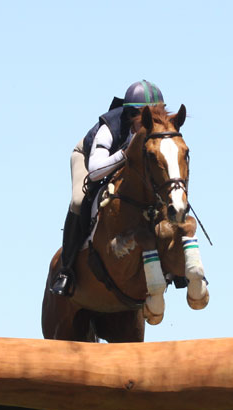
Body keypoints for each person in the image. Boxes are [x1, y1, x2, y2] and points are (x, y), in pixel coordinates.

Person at [49, 80, 167, 296]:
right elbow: (94, 171)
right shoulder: (110, 127)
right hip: (89, 159)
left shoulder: (157, 131)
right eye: (147, 116)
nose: (154, 122)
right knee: (78, 200)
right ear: (132, 114)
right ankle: (65, 269)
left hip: (119, 166)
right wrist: (125, 154)